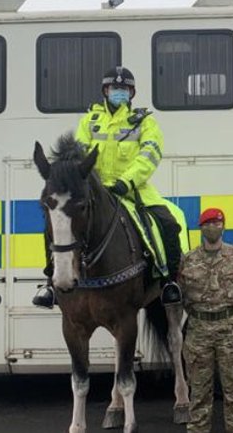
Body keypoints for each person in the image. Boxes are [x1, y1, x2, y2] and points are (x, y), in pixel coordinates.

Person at [33, 65, 186, 308]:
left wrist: (127, 181)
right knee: (56, 220)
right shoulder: (90, 121)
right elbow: (78, 156)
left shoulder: (144, 121)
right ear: (105, 90)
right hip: (95, 190)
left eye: (124, 89)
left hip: (135, 190)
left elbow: (150, 153)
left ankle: (169, 282)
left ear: (131, 93)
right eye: (115, 88)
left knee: (166, 223)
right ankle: (50, 283)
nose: (119, 92)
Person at [178, 208, 233, 433]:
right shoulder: (189, 260)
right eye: (208, 223)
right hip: (198, 331)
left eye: (217, 223)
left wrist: (227, 315)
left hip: (230, 330)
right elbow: (184, 297)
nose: (213, 227)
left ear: (224, 226)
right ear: (201, 228)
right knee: (199, 391)